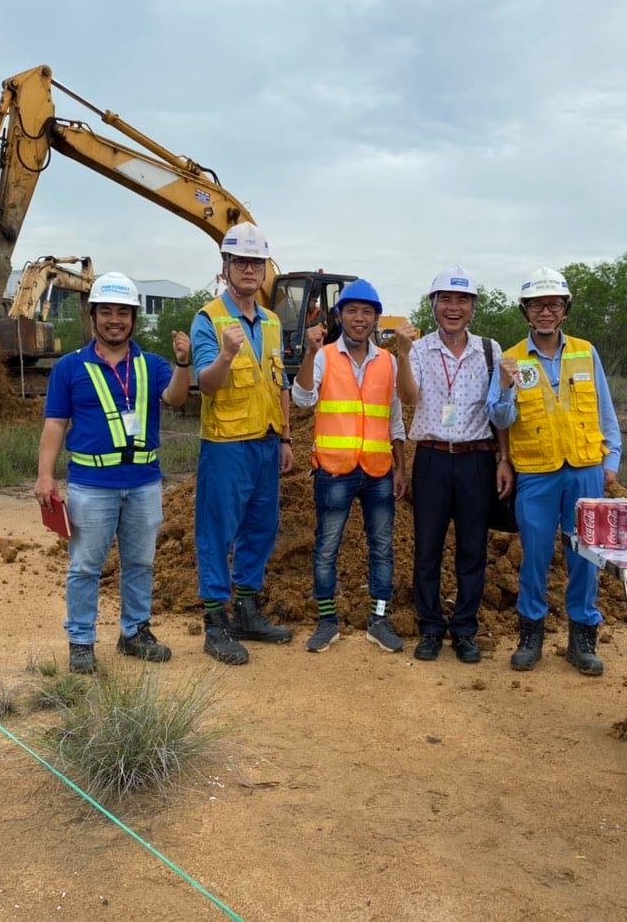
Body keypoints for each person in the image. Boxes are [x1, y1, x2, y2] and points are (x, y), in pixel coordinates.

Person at [35, 272, 192, 675]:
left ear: (134, 319)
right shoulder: (70, 368)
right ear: (94, 317)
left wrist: (182, 363)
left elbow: (175, 398)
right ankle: (81, 641)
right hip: (91, 486)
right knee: (85, 566)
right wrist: (45, 476)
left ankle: (135, 633)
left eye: (123, 312)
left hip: (142, 483)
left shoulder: (152, 365)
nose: (115, 320)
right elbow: (55, 424)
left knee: (140, 564)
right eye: (107, 312)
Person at [488, 267, 621, 675]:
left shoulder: (585, 351)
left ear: (564, 310)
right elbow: (498, 416)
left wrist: (610, 461)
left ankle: (582, 639)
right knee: (535, 557)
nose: (546, 312)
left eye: (554, 304)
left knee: (585, 557)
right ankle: (531, 637)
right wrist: (507, 386)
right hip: (537, 473)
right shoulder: (510, 359)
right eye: (537, 305)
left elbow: (605, 410)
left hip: (584, 471)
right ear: (525, 311)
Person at [191, 221, 295, 665]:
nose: (249, 269)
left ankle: (247, 610)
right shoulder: (208, 319)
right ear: (226, 266)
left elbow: (282, 384)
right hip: (226, 444)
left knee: (261, 528)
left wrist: (287, 437)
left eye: (256, 262)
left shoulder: (271, 321)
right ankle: (216, 622)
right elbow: (206, 384)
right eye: (241, 261)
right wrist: (227, 354)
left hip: (267, 442)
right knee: (217, 531)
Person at [395, 264, 505, 663]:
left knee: (473, 549)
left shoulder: (490, 351)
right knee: (427, 549)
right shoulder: (420, 350)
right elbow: (408, 397)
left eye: (462, 300)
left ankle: (464, 630)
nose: (453, 308)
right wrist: (403, 357)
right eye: (446, 300)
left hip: (476, 460)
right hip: (433, 460)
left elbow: (499, 411)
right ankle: (429, 628)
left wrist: (504, 460)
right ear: (434, 305)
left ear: (473, 307)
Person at [291, 278, 408, 653]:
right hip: (334, 469)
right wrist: (309, 354)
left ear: (376, 318)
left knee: (382, 547)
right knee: (326, 548)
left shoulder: (388, 362)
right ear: (340, 316)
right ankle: (327, 621)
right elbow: (303, 399)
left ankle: (379, 619)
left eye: (367, 312)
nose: (360, 319)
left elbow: (395, 421)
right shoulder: (324, 357)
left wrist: (401, 468)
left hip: (378, 470)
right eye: (352, 311)